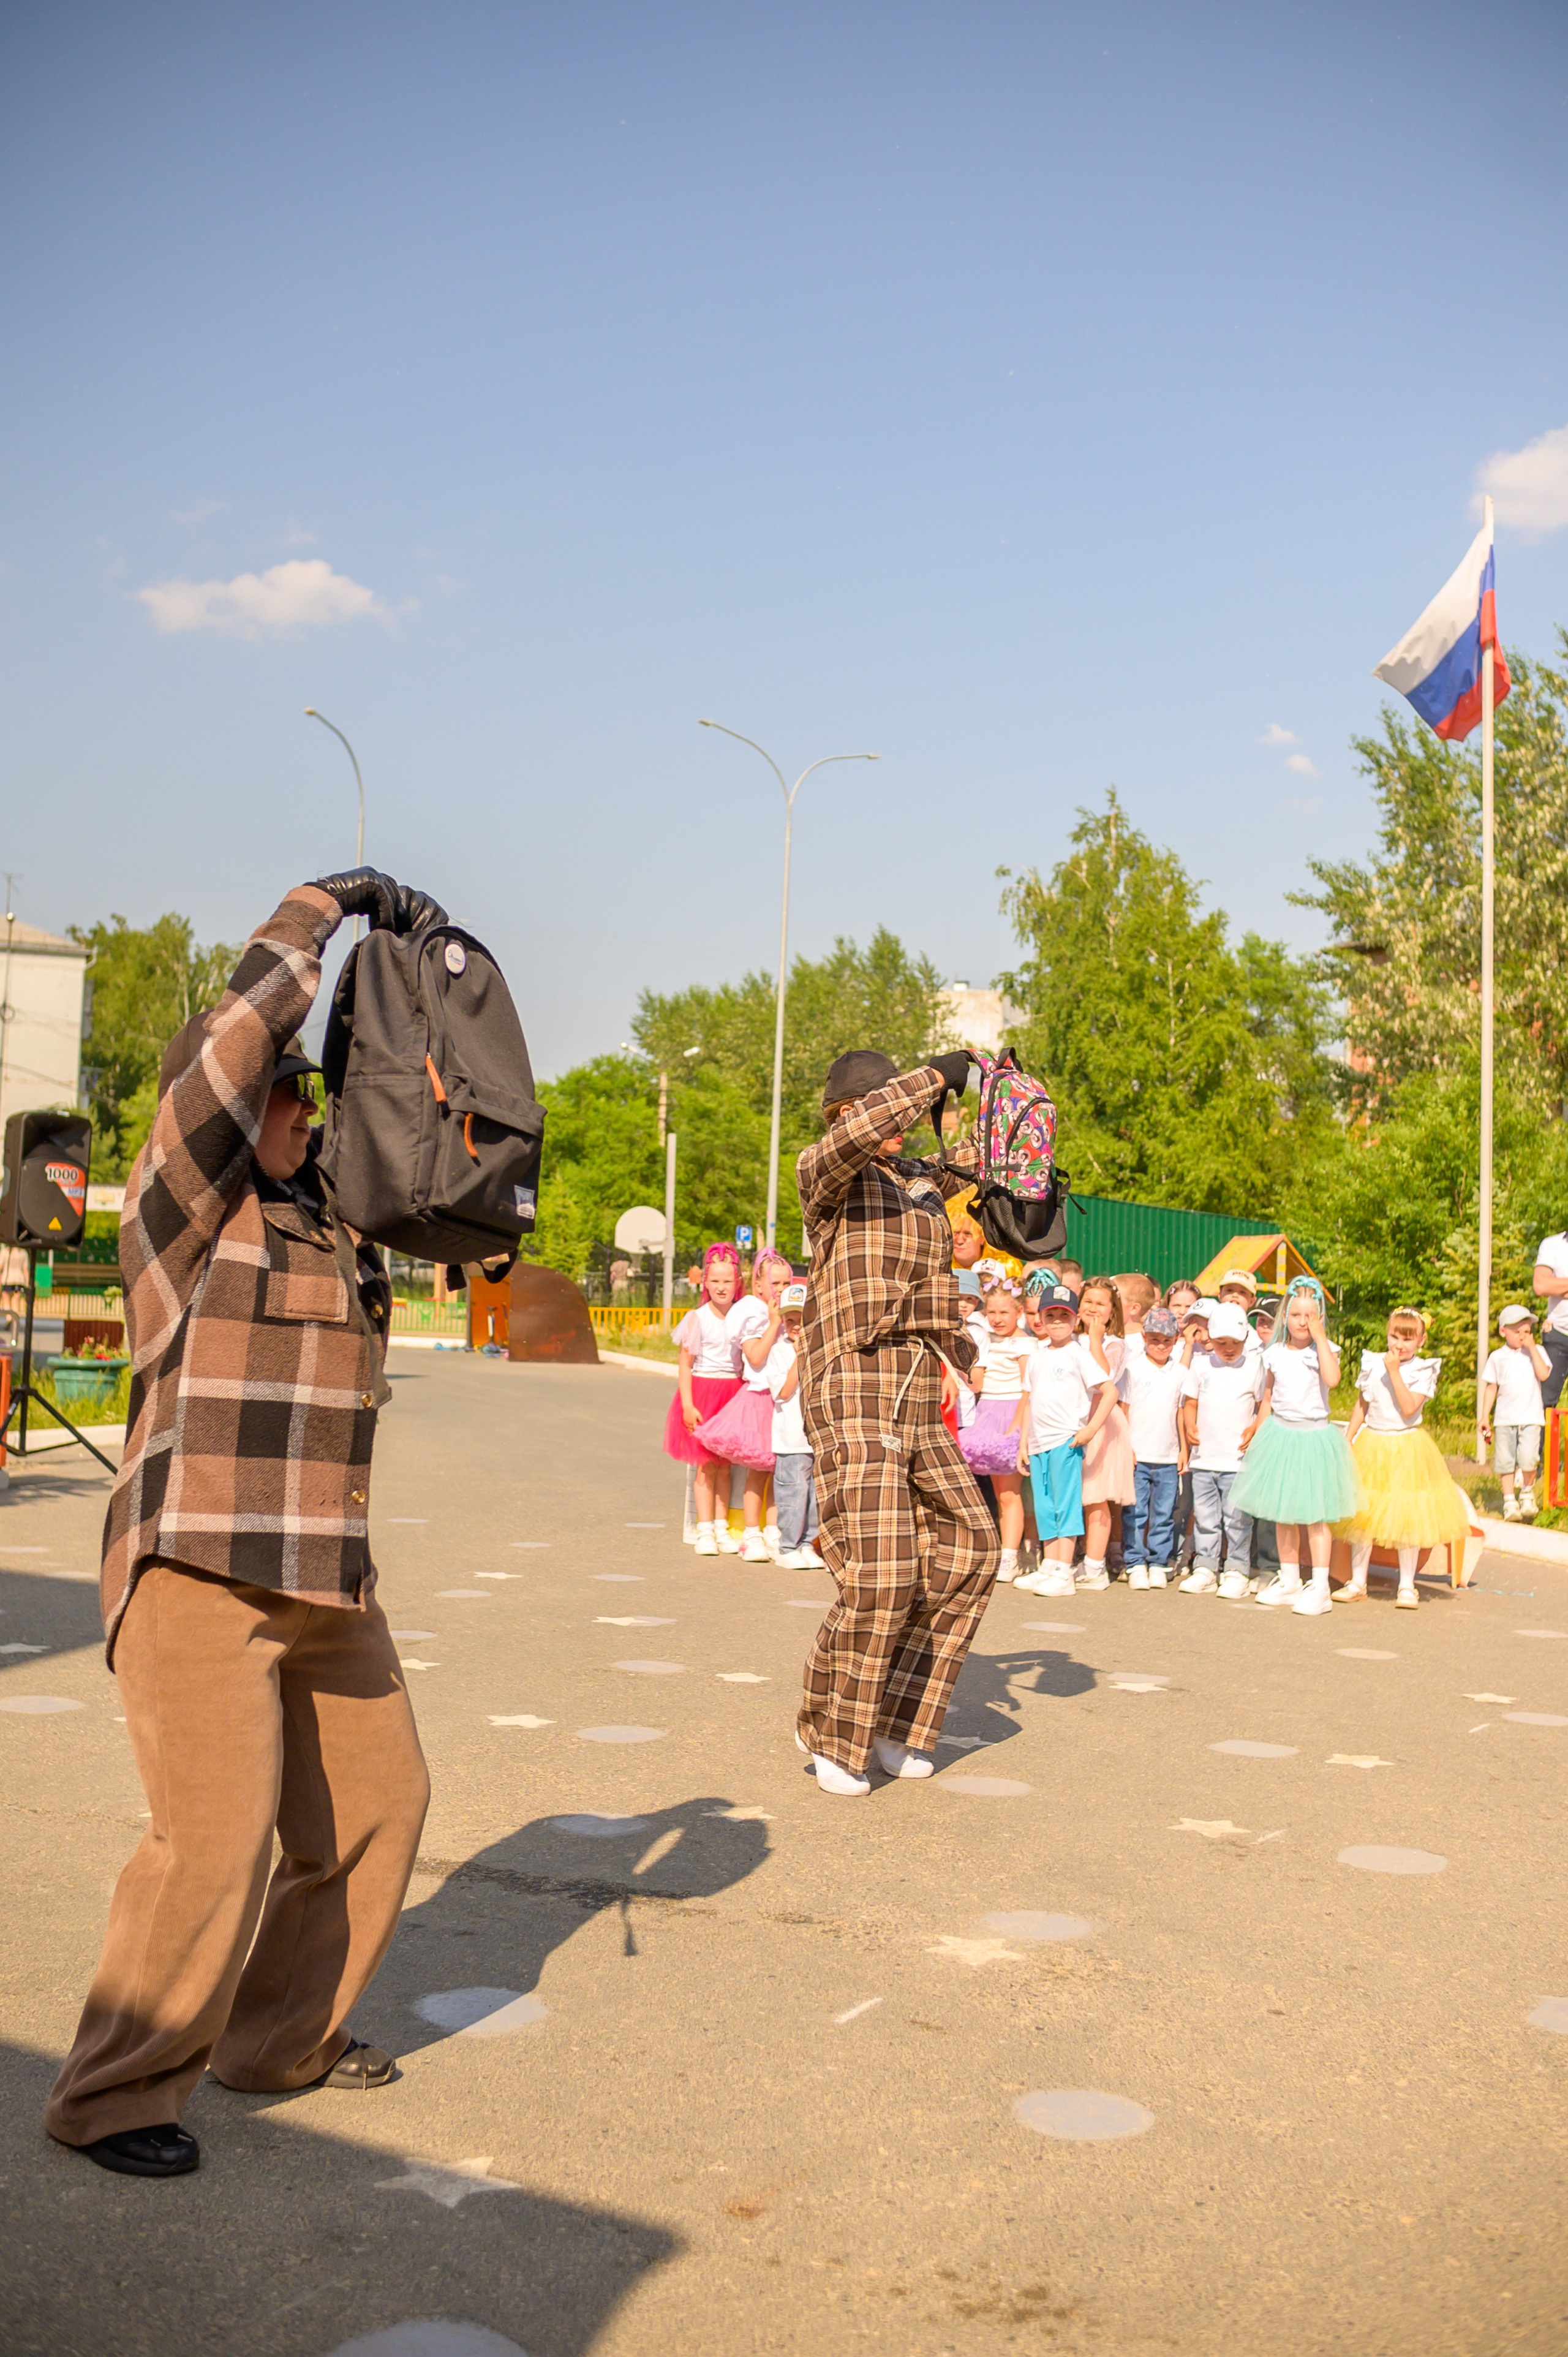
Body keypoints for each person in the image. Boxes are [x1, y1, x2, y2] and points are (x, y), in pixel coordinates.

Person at [45, 869, 441, 2181]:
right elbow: (227, 1050)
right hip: (199, 1569)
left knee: (381, 1810)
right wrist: (321, 913)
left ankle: (273, 2042)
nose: (301, 1107)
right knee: (211, 1838)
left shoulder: (333, 1228)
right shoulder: (184, 1217)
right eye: (288, 1092)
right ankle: (110, 2095)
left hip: (327, 1578)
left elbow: (444, 1151)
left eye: (307, 1095)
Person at [794, 1049, 996, 1798]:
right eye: (876, 1105)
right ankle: (830, 1726)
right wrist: (933, 1076)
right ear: (844, 1111)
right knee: (882, 1573)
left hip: (918, 1388)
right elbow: (870, 1128)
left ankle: (894, 1720)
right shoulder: (827, 1175)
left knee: (972, 1545)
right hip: (852, 1380)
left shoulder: (917, 1183)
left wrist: (1004, 1131)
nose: (894, 1118)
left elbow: (972, 1166)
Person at [1231, 1278, 1363, 1617]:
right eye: (1296, 1315)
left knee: (1316, 1516)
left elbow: (1333, 1380)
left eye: (1311, 1315)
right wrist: (1258, 1432)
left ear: (1319, 1317)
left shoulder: (1325, 1350)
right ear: (1285, 1317)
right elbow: (1268, 1399)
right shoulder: (1274, 1353)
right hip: (1281, 1436)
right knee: (1283, 1514)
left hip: (1313, 1439)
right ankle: (1289, 1579)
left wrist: (1320, 1338)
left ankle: (1319, 1586)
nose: (1304, 1322)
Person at [1339, 1309, 1469, 1603]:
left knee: (1406, 1514)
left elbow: (1410, 1407)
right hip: (1373, 1442)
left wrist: (1395, 1371)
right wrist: (1349, 1437)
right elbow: (1363, 1403)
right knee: (1363, 1513)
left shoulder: (1422, 1369)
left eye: (1407, 1339)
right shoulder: (1372, 1363)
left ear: (1421, 1341)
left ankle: (1407, 1584)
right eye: (1394, 1336)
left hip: (1406, 1445)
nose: (1399, 1344)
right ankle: (1358, 1581)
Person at [1013, 1284, 1117, 1598]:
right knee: (1045, 1506)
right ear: (1040, 1319)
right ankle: (1050, 1565)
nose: (1057, 1321)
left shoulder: (1079, 1355)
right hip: (1039, 1443)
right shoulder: (1036, 1357)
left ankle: (1064, 1569)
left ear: (1076, 1320)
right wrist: (1023, 1443)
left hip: (1066, 1441)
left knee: (1065, 1506)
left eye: (1064, 1315)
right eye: (1051, 1315)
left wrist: (1089, 1431)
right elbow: (1029, 1400)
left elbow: (1110, 1392)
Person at [692, 1248, 792, 1561]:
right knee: (758, 1469)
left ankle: (773, 1530)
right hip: (759, 1397)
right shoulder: (753, 1311)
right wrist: (775, 1322)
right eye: (775, 1283)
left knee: (782, 1468)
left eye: (786, 1283)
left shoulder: (790, 1311)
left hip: (785, 1400)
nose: (781, 1290)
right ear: (759, 1286)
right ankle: (750, 1533)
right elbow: (756, 1357)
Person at [667, 1243, 747, 1555]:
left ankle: (721, 1526)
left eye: (727, 1281)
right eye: (715, 1281)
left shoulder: (744, 1315)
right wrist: (688, 1405)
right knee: (705, 1466)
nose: (721, 1287)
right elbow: (685, 1364)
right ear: (706, 1283)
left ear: (737, 1282)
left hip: (733, 1395)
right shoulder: (696, 1318)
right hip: (703, 1395)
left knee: (725, 1466)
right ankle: (704, 1530)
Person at [1178, 1304, 1262, 1598]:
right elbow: (1190, 1402)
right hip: (1205, 1460)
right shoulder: (1201, 1365)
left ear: (1245, 1339)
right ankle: (1205, 1568)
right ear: (1210, 1337)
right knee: (1205, 1518)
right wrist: (1190, 1426)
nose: (1228, 1349)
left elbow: (1264, 1404)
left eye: (1235, 1343)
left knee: (1238, 1520)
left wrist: (1255, 1429)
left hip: (1238, 1462)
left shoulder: (1254, 1366)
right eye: (1222, 1343)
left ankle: (1237, 1570)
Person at [957, 1276, 1033, 1581]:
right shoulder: (984, 1338)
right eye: (992, 1313)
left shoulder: (1026, 1343)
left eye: (1005, 1313)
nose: (998, 1319)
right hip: (985, 1411)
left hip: (1011, 1410)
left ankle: (1010, 1556)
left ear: (1019, 1313)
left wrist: (1017, 1424)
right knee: (991, 1491)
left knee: (1010, 1494)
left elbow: (1029, 1387)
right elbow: (979, 1382)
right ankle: (995, 1550)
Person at [1120, 1304, 1187, 1588]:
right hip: (1138, 1453)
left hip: (1168, 1456)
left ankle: (1159, 1562)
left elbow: (1182, 1413)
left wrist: (1184, 1450)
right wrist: (1126, 1448)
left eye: (1167, 1340)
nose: (1161, 1345)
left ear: (1176, 1341)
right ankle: (1135, 1562)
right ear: (1145, 1338)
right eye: (1155, 1339)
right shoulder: (1132, 1370)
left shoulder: (1180, 1372)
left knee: (1163, 1513)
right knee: (1135, 1512)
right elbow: (1123, 1410)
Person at [1076, 1276, 1135, 1591]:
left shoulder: (1115, 1344)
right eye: (1088, 1302)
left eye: (1101, 1304)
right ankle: (1073, 1558)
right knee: (1076, 1496)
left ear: (1113, 1312)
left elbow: (1105, 1377)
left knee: (1098, 1498)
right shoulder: (1071, 1339)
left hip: (1102, 1423)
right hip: (1072, 1418)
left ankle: (1096, 1567)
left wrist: (1095, 1340)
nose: (1093, 1309)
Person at [767, 1282, 823, 1569]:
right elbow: (784, 1391)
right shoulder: (779, 1352)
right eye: (790, 1321)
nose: (796, 1327)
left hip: (816, 1437)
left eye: (803, 1321)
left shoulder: (821, 1348)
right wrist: (802, 1356)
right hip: (791, 1439)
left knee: (814, 1496)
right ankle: (787, 1545)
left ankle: (806, 1544)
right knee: (793, 1493)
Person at [1481, 1306, 1552, 1522]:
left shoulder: (1537, 1352)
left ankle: (1528, 1493)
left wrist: (1532, 1349)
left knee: (1529, 1458)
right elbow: (1491, 1387)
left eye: (1527, 1332)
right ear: (1504, 1332)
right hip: (1505, 1418)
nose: (1523, 1337)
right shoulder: (1497, 1357)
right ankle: (1510, 1501)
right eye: (1517, 1332)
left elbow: (1544, 1374)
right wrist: (1485, 1415)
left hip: (1531, 1417)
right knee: (1505, 1460)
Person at [1531, 1231, 1568, 1407]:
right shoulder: (1552, 1244)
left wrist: (1559, 1286)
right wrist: (1551, 1286)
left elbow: (1549, 1284)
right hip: (1558, 1335)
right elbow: (1541, 1285)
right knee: (1543, 1404)